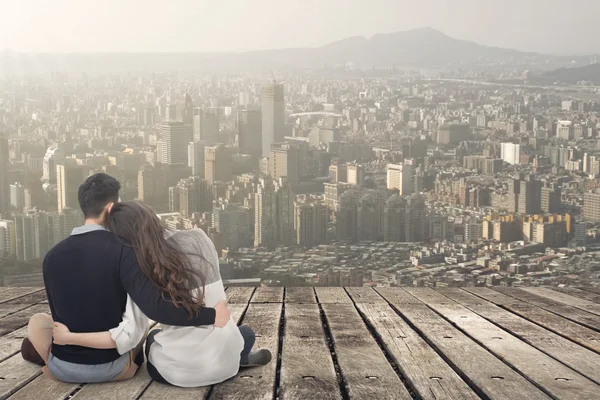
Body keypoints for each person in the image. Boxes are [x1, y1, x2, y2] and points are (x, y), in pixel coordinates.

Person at [21, 173, 232, 383]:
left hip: (63, 367)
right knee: (142, 331)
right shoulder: (126, 252)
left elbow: (59, 314)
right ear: (110, 208)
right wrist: (212, 316)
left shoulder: (51, 257)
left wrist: (68, 337)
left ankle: (46, 354)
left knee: (39, 322)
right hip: (114, 367)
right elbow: (150, 312)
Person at [53, 201, 271, 387]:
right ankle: (238, 354)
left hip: (180, 374)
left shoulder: (142, 265)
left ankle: (228, 353)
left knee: (152, 339)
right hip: (226, 364)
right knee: (241, 333)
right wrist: (214, 316)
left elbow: (157, 312)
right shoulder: (199, 236)